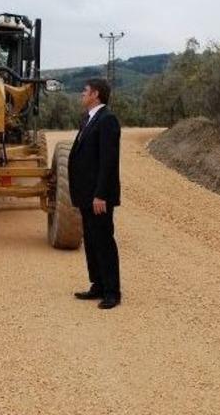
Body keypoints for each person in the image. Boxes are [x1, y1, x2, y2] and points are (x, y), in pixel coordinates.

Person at [68, 78, 122, 309]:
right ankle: (97, 285)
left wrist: (101, 195)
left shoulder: (107, 120)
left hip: (98, 196)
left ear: (96, 94)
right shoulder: (88, 119)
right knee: (90, 240)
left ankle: (112, 291)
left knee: (103, 240)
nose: (82, 94)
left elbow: (108, 161)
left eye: (85, 91)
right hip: (85, 194)